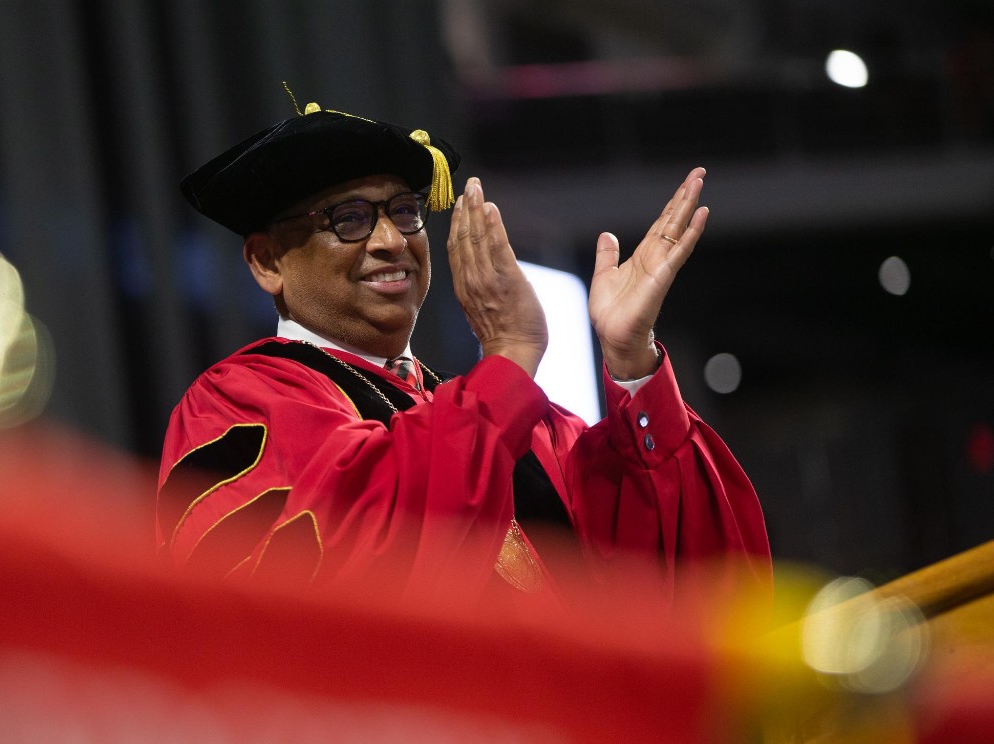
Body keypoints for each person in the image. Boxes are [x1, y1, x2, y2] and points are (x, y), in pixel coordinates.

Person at [156, 98, 770, 610]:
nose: (393, 240)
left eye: (403, 211)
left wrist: (631, 362)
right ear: (267, 262)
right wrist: (507, 356)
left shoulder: (515, 422)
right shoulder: (239, 403)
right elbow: (340, 577)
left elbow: (675, 578)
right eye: (348, 218)